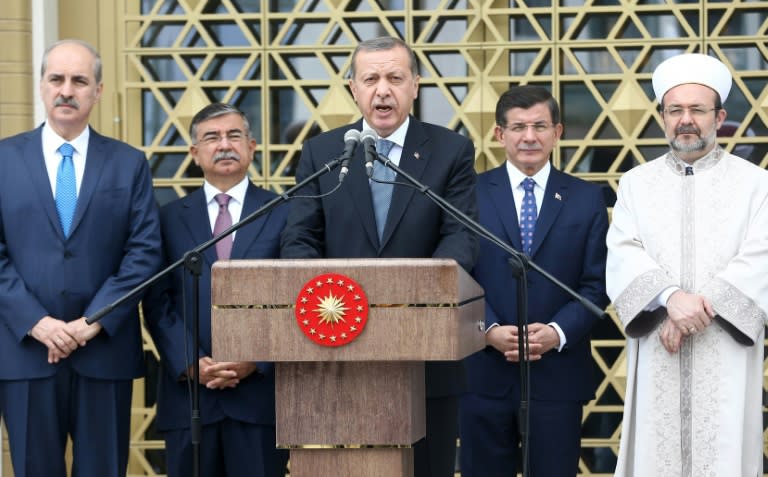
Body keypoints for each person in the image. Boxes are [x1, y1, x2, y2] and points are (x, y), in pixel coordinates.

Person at [280, 36, 478, 476]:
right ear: (353, 88)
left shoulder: (451, 152)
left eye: (395, 77)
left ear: (415, 85)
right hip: (337, 350)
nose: (382, 90)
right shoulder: (324, 152)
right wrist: (327, 302)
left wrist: (414, 300)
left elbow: (460, 238)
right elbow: (300, 239)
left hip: (426, 354)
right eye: (370, 79)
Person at [0, 39, 162, 477]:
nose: (66, 90)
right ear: (41, 87)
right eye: (57, 79)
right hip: (26, 352)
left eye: (79, 80)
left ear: (98, 91)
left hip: (103, 351)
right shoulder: (3, 159)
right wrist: (39, 322)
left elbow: (144, 252)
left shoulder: (129, 164)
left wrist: (91, 322)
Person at [606, 53, 768, 476]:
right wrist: (670, 298)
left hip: (724, 345)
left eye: (697, 109)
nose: (686, 120)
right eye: (675, 110)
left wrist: (696, 308)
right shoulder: (636, 184)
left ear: (719, 116)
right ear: (662, 115)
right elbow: (623, 251)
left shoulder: (756, 184)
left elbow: (761, 256)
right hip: (659, 343)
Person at [459, 86, 609, 476]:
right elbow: (456, 276)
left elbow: (596, 286)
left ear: (557, 132)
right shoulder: (468, 196)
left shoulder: (586, 199)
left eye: (540, 126)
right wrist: (487, 328)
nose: (529, 137)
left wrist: (558, 331)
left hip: (557, 375)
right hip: (483, 372)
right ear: (499, 134)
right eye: (519, 127)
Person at [142, 103, 289, 477]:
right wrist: (192, 362)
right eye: (212, 137)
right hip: (189, 398)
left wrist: (255, 359)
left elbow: (293, 298)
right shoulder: (168, 218)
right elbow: (158, 302)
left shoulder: (283, 211)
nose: (224, 145)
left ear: (252, 146)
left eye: (234, 135)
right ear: (194, 153)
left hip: (259, 398)